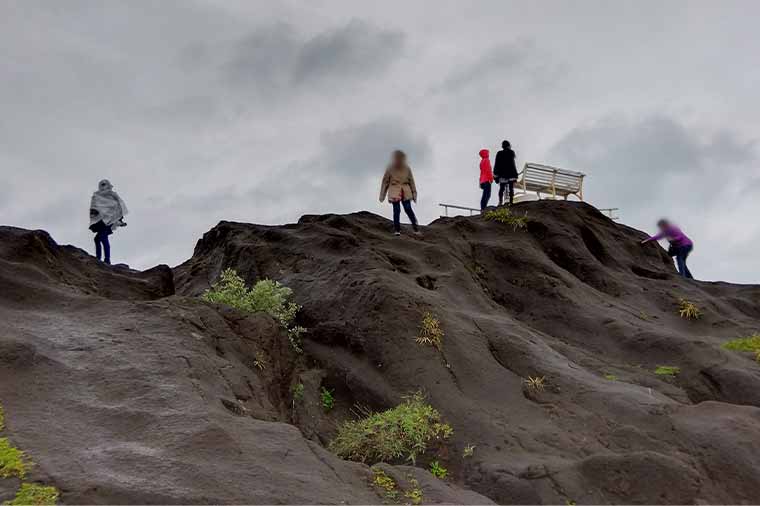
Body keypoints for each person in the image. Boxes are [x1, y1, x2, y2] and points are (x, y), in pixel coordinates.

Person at [379, 150, 420, 236]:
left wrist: (414, 193)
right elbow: (385, 181)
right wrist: (382, 195)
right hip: (394, 190)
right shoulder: (390, 168)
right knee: (397, 210)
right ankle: (397, 230)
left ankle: (415, 226)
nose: (399, 160)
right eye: (397, 158)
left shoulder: (407, 168)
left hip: (405, 191)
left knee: (408, 208)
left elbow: (411, 181)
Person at [89, 179, 128, 264]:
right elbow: (95, 208)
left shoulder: (112, 195)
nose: (103, 186)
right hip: (101, 221)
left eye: (104, 184)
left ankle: (105, 259)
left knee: (102, 238)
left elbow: (117, 206)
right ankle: (101, 259)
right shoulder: (97, 195)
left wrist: (119, 220)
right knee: (98, 239)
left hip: (108, 221)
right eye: (101, 184)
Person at [493, 140, 519, 206]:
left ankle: (500, 202)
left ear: (502, 146)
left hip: (502, 174)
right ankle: (511, 202)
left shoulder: (499, 153)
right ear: (508, 146)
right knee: (511, 188)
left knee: (501, 188)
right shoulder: (511, 153)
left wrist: (495, 175)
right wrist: (515, 174)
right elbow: (513, 165)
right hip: (511, 174)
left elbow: (496, 164)